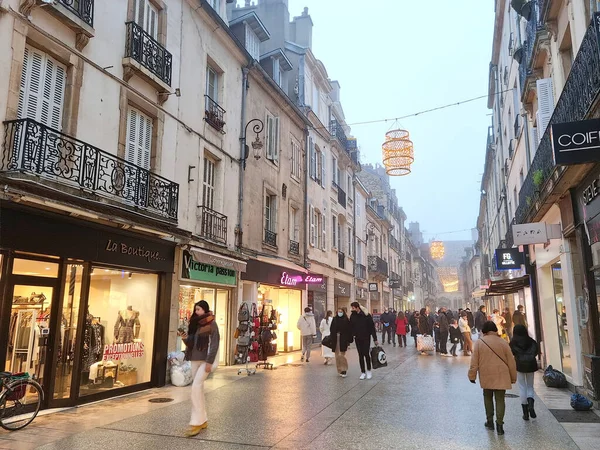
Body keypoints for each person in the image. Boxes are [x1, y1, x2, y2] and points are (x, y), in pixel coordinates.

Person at [468, 321, 517, 436]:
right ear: (495, 329)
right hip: (502, 374)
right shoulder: (503, 342)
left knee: (487, 397)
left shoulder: (479, 343)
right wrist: (513, 377)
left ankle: (490, 421)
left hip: (486, 374)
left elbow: (474, 362)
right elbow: (511, 361)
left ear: (484, 330)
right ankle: (500, 425)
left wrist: (472, 375)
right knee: (500, 399)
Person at [181, 300, 220, 437]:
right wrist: (185, 339)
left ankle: (195, 422)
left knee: (195, 387)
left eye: (198, 309)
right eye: (195, 309)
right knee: (199, 388)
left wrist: (210, 362)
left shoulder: (211, 323)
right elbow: (192, 343)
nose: (196, 312)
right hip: (194, 359)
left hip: (205, 361)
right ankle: (202, 420)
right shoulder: (195, 324)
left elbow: (214, 344)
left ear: (205, 310)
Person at [510, 324, 538, 421]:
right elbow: (536, 351)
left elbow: (511, 353)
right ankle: (531, 404)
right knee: (530, 386)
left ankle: (525, 413)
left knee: (522, 387)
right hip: (531, 365)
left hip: (520, 365)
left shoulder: (513, 342)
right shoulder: (531, 341)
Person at [350, 302, 379, 380]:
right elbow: (351, 327)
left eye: (353, 308)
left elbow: (372, 327)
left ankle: (369, 370)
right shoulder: (352, 316)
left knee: (366, 354)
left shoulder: (366, 315)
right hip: (357, 338)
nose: (352, 309)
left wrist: (375, 339)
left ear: (357, 307)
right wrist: (352, 336)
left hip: (366, 337)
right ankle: (363, 372)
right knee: (360, 355)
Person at [329, 308, 353, 377]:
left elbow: (349, 330)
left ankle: (344, 369)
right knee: (337, 355)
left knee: (341, 355)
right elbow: (331, 329)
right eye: (338, 311)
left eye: (341, 311)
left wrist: (349, 340)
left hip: (343, 339)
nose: (340, 313)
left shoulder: (346, 320)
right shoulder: (335, 319)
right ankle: (339, 369)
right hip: (336, 338)